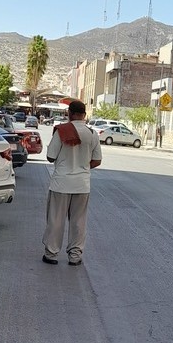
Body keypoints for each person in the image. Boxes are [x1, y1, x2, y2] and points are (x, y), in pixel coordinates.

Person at [42, 100, 102, 266]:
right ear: (84, 114)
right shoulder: (92, 134)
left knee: (56, 219)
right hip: (82, 184)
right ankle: (75, 256)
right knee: (78, 221)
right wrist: (83, 167)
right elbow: (97, 160)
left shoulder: (62, 131)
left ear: (69, 113)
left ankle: (51, 254)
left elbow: (50, 157)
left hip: (61, 183)